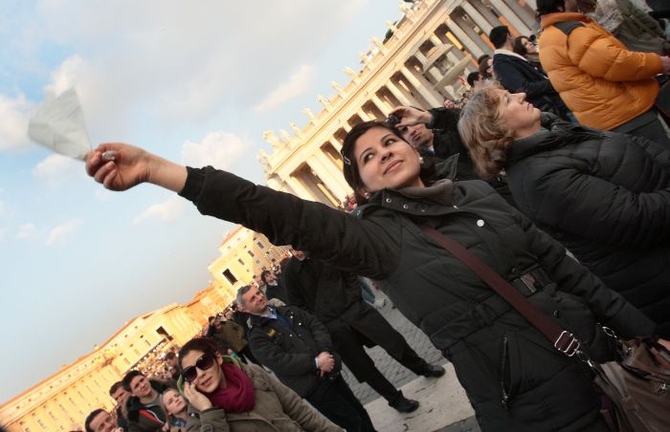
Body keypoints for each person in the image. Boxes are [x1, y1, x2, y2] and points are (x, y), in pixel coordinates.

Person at [86, 124, 658, 432]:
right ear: (362, 183)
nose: (385, 153)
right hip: (531, 403)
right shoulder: (374, 239)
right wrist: (164, 173)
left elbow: (564, 270)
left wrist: (643, 334)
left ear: (412, 146)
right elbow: (276, 210)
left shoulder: (476, 194)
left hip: (603, 354)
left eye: (390, 141)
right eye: (368, 156)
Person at [458, 82, 670, 336]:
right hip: (657, 275)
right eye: (508, 100)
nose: (521, 94)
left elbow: (634, 145)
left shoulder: (555, 131)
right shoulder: (539, 179)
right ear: (494, 127)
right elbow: (635, 218)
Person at [283, 248, 443, 413]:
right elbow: (298, 307)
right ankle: (395, 399)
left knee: (393, 341)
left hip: (356, 309)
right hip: (333, 327)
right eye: (294, 249)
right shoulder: (290, 273)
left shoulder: (324, 251)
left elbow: (348, 272)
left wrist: (354, 296)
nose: (299, 251)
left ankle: (422, 367)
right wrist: (322, 323)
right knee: (364, 368)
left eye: (300, 247)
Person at [536, 0, 670, 145]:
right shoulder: (571, 32)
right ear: (560, 2)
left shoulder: (548, 36)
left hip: (605, 116)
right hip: (625, 112)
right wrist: (658, 63)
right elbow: (616, 63)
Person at [236, 285, 376, 431]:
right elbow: (281, 362)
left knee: (358, 409)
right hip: (313, 386)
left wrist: (324, 352)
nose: (259, 297)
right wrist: (316, 363)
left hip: (329, 369)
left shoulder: (287, 310)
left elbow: (316, 325)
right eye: (252, 299)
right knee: (352, 421)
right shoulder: (257, 337)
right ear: (245, 309)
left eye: (258, 293)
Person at [177, 337, 342, 431]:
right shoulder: (197, 421)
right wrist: (208, 412)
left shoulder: (252, 372)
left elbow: (299, 412)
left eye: (203, 362)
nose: (200, 374)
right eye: (190, 373)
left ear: (218, 358)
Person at [489, 25, 570, 121]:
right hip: (548, 107)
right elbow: (523, 88)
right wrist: (553, 82)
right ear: (508, 36)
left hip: (554, 103)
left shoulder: (508, 58)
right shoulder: (501, 62)